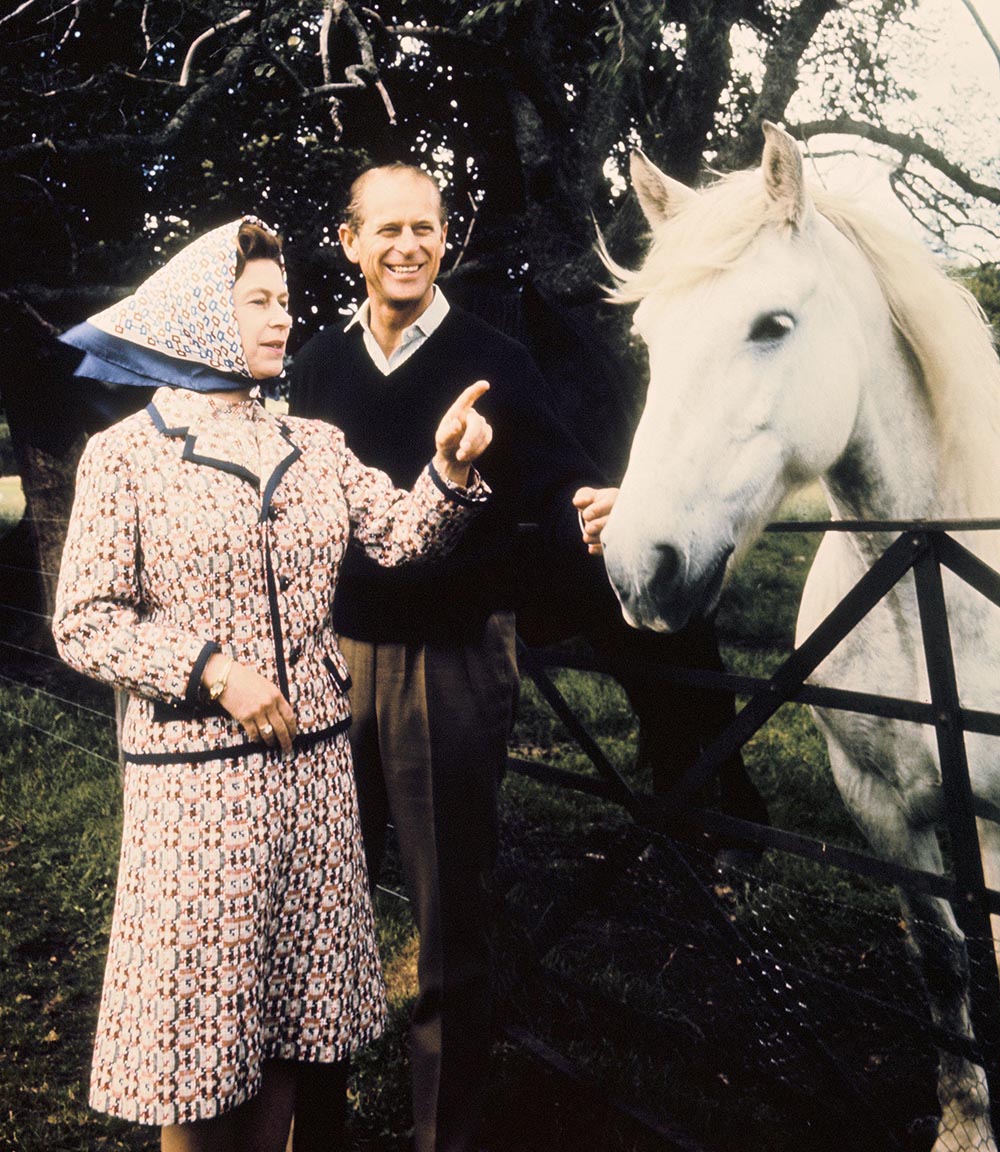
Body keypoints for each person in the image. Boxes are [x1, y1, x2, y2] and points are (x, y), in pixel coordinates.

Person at [52, 215, 494, 1152]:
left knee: (299, 1035)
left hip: (317, 783)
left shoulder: (317, 443)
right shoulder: (127, 455)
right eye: (256, 302)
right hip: (198, 793)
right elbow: (84, 622)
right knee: (203, 1048)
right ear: (197, 316)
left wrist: (449, 467)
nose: (282, 320)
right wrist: (212, 669)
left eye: (286, 303)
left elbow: (405, 537)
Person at [289, 163, 617, 1152]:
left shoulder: (495, 359)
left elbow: (564, 491)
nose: (408, 246)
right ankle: (316, 1123)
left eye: (425, 229)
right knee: (321, 912)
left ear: (443, 240)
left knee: (449, 924)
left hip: (451, 664)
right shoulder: (313, 365)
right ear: (348, 242)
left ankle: (446, 1134)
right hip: (328, 662)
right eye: (386, 229)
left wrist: (593, 512)